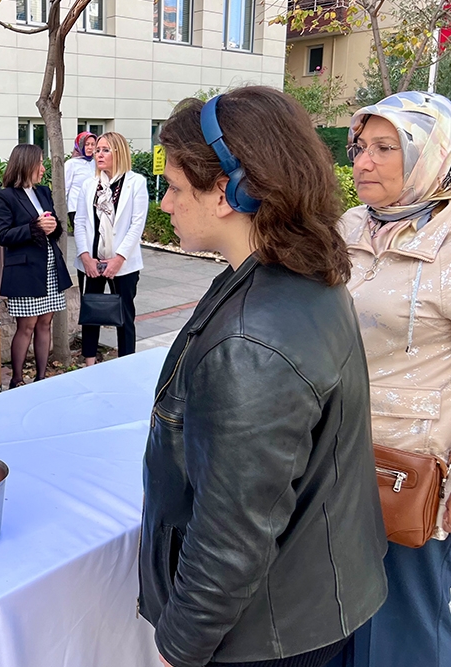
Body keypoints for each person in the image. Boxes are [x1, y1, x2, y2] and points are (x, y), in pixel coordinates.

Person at [139, 87, 387, 667]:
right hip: (315, 598)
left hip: (270, 632)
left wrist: (179, 645)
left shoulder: (252, 341)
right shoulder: (303, 275)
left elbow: (231, 536)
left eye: (175, 188)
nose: (167, 204)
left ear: (228, 192)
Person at [328, 91, 451, 667]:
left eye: (385, 148)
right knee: (335, 612)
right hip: (333, 452)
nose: (364, 162)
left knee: (404, 624)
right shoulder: (348, 225)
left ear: (430, 156)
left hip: (413, 466)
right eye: (360, 147)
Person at [0, 144, 72, 387]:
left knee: (45, 323)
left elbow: (54, 228)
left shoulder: (43, 192)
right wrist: (34, 227)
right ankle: (17, 380)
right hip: (25, 271)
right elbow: (3, 235)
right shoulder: (6, 196)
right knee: (26, 327)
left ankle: (41, 378)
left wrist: (53, 226)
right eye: (39, 163)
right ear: (26, 164)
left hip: (49, 268)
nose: (43, 168)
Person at [72, 131, 147, 363]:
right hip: (93, 262)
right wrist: (85, 257)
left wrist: (119, 259)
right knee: (91, 311)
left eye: (105, 150)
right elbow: (80, 222)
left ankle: (127, 363)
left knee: (124, 314)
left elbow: (137, 224)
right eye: (97, 150)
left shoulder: (136, 182)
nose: (99, 155)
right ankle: (89, 361)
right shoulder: (89, 184)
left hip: (123, 263)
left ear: (119, 152)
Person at [64, 131, 96, 225]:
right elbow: (65, 188)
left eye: (93, 144)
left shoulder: (96, 163)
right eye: (87, 144)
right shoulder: (71, 164)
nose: (90, 147)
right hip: (76, 207)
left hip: (93, 207)